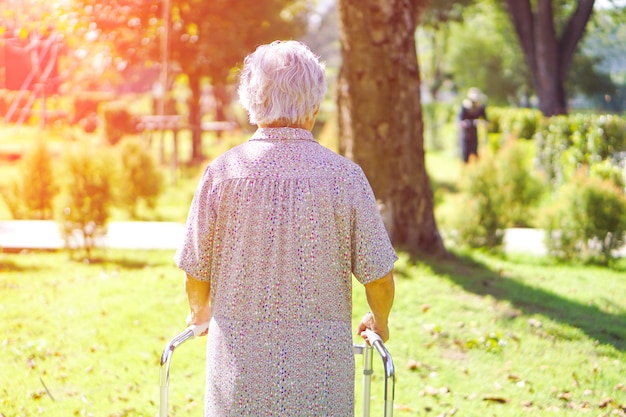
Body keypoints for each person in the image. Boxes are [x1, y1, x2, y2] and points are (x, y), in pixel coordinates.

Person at [174, 40, 397, 417]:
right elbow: (379, 277)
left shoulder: (222, 174)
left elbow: (195, 273)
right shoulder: (345, 178)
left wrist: (200, 312)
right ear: (314, 104)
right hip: (320, 380)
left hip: (239, 379)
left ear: (253, 100)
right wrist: (380, 322)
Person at [458, 87, 488, 163]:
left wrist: (481, 123)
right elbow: (460, 121)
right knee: (466, 155)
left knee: (475, 153)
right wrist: (467, 123)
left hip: (475, 134)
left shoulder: (480, 107)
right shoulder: (465, 107)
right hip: (466, 134)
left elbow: (485, 120)